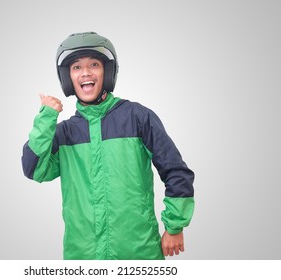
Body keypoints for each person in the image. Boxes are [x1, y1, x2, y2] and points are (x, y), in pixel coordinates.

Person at [21, 32, 195, 260]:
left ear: (107, 72)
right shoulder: (64, 133)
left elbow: (175, 171)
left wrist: (175, 226)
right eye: (76, 67)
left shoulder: (138, 118)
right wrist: (46, 118)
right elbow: (33, 169)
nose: (85, 72)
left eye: (94, 64)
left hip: (138, 254)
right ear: (68, 77)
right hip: (83, 257)